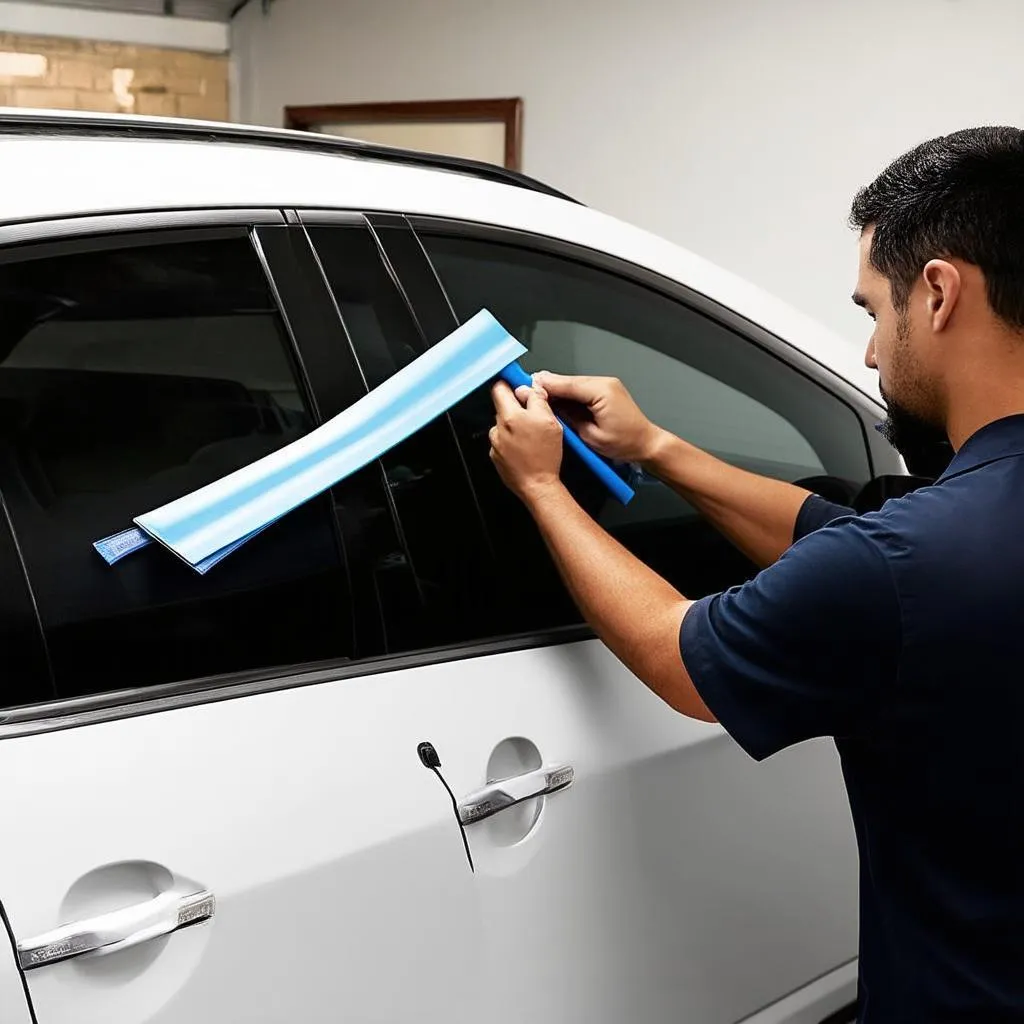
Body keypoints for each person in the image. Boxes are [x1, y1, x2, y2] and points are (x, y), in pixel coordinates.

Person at [487, 126, 1024, 1023]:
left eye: (870, 312)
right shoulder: (929, 551)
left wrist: (543, 488)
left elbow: (678, 655)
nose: (868, 356)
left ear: (937, 293)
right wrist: (658, 449)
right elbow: (853, 540)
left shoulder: (902, 567)